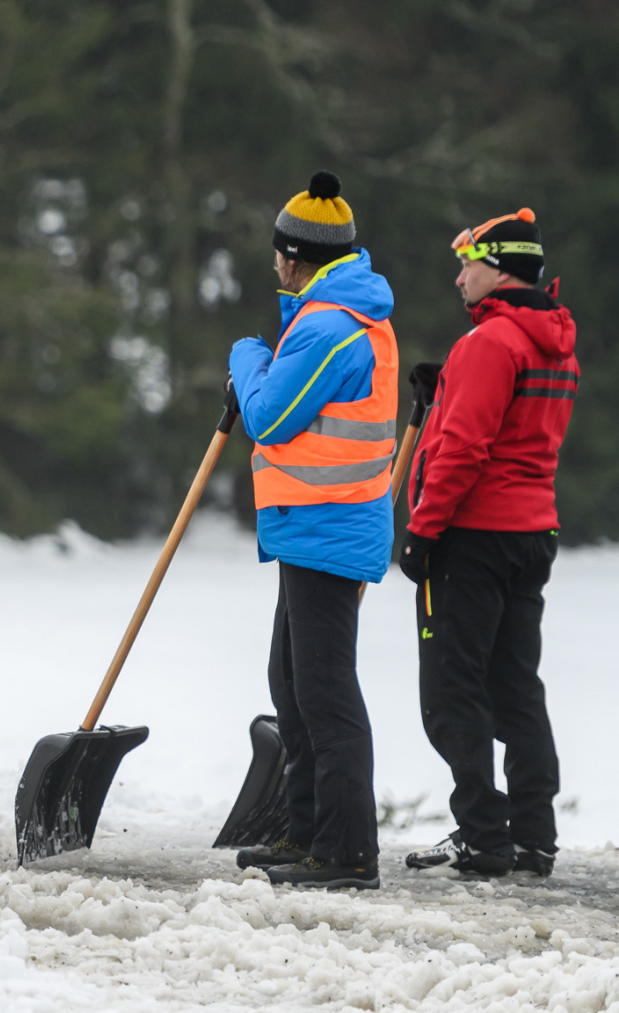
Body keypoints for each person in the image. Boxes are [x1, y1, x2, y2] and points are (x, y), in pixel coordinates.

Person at [228, 171, 397, 890]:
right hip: (310, 527)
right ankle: (305, 832)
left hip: (331, 528)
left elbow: (269, 416)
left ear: (297, 256)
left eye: (279, 251)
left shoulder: (332, 325)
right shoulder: (328, 315)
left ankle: (348, 850)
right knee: (292, 681)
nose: (273, 262)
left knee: (324, 692)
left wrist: (246, 358)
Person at [397, 208, 578, 879]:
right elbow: (511, 434)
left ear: (498, 269)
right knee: (515, 688)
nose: (458, 277)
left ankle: (482, 833)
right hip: (531, 534)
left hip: (472, 539)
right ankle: (533, 835)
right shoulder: (557, 344)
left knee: (452, 692)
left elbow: (465, 451)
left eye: (467, 264)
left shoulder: (489, 343)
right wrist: (444, 394)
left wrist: (422, 531)